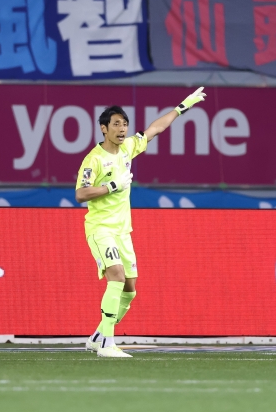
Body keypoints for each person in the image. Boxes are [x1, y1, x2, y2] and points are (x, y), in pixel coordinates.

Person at [76, 87, 206, 358]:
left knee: (130, 290)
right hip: (101, 228)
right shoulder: (93, 160)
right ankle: (107, 344)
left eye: (124, 124)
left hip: (123, 231)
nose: (122, 129)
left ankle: (98, 335)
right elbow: (80, 194)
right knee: (116, 275)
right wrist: (111, 186)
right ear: (103, 129)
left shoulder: (128, 148)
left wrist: (182, 107)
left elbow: (155, 129)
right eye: (116, 124)